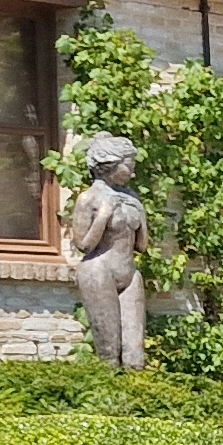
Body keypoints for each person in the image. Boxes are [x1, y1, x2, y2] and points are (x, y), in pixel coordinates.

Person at [64, 134, 148, 370]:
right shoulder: (88, 198)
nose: (133, 173)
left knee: (135, 356)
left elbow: (142, 246)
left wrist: (140, 214)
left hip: (129, 274)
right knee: (109, 353)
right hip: (99, 272)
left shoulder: (131, 197)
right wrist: (104, 215)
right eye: (129, 166)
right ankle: (108, 391)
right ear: (110, 165)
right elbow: (83, 245)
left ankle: (138, 392)